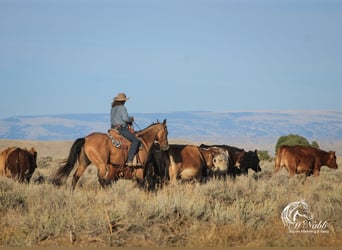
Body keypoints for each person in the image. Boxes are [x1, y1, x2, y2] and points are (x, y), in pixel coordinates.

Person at [110, 93, 141, 167]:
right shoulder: (122, 107)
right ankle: (130, 160)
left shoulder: (113, 108)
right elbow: (126, 118)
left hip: (113, 128)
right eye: (124, 100)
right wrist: (131, 119)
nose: (125, 101)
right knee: (135, 140)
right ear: (123, 101)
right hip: (121, 129)